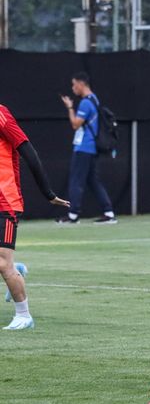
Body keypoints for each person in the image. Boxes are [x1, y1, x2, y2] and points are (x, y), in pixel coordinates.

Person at [0, 103, 69, 329]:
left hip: (5, 202)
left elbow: (28, 150)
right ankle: (15, 268)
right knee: (5, 263)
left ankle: (23, 315)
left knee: (2, 263)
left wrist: (47, 193)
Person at [57, 72, 116, 224]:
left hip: (84, 147)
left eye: (74, 84)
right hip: (92, 148)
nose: (73, 88)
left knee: (76, 180)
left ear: (81, 84)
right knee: (93, 181)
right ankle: (108, 213)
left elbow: (75, 124)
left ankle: (73, 215)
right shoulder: (94, 99)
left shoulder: (85, 103)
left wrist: (70, 108)